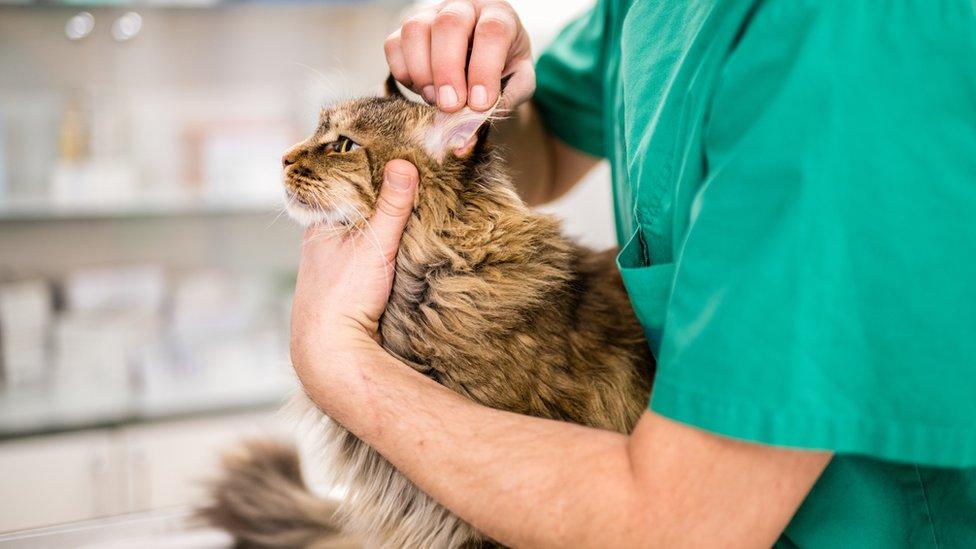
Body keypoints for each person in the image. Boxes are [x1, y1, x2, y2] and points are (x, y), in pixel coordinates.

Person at [289, 1, 976, 546]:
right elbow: (548, 143)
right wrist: (474, 94)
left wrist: (344, 366)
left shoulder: (846, 41)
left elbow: (686, 523)